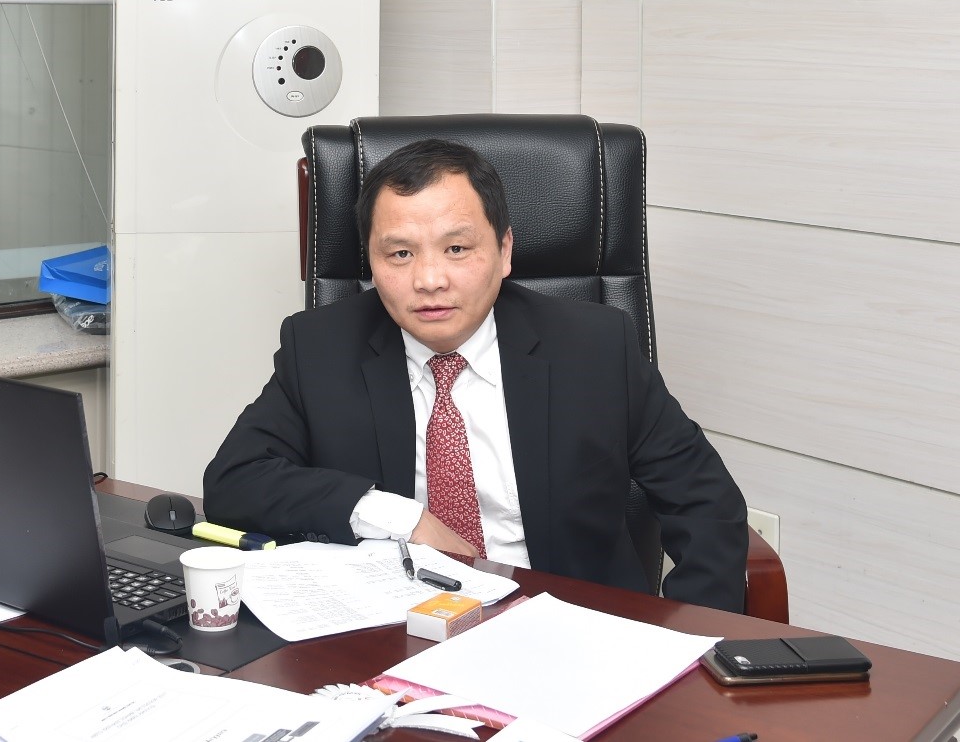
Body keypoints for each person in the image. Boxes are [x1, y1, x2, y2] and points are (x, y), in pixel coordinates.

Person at [202, 138, 749, 612]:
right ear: (370, 262)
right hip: (397, 627)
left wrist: (695, 641)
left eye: (457, 249)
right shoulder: (320, 347)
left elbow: (706, 501)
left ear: (504, 251)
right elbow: (234, 481)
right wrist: (395, 516)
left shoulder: (593, 347)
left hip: (568, 626)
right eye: (400, 254)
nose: (430, 279)